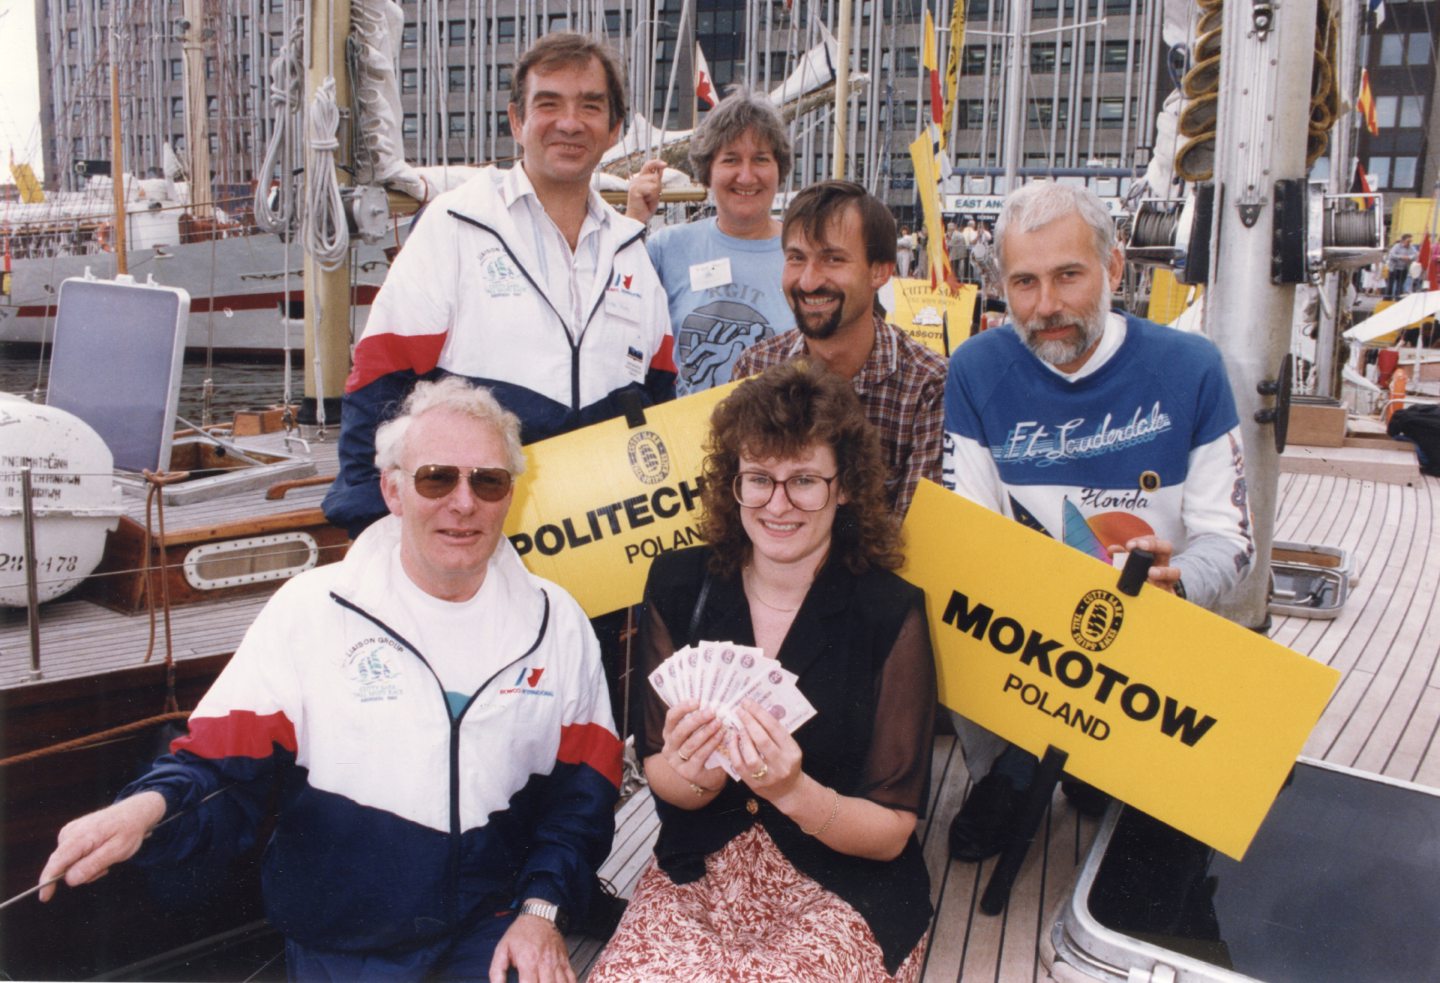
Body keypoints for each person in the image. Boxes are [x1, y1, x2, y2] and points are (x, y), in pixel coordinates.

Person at [40, 378, 622, 981]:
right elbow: (218, 765)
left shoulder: (555, 622)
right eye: (436, 478)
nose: (463, 502)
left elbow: (583, 796)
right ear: (393, 490)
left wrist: (540, 910)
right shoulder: (313, 609)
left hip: (492, 926)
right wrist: (144, 810)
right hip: (346, 942)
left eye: (488, 480)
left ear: (510, 494)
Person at [588, 360, 936, 983]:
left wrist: (791, 792)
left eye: (804, 480)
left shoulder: (889, 611)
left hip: (841, 887)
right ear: (733, 483)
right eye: (758, 479)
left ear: (846, 485)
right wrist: (696, 778)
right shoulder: (678, 583)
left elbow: (891, 830)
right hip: (698, 873)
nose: (778, 505)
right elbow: (666, 775)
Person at [941, 181, 1254, 861]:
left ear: (1114, 269)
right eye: (1024, 282)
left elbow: (1229, 539)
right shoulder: (972, 369)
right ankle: (1008, 766)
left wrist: (1179, 582)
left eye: (1068, 276)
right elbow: (967, 534)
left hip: (1152, 631)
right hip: (1026, 636)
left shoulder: (1192, 367)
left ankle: (1101, 768)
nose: (1045, 306)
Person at [323, 32, 676, 537]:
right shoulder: (458, 221)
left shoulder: (631, 250)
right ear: (517, 120)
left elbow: (658, 398)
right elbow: (380, 377)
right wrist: (372, 523)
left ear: (615, 127)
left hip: (599, 546)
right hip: (470, 532)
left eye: (590, 106)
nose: (570, 122)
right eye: (548, 103)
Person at [732, 181, 947, 517]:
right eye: (796, 258)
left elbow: (917, 536)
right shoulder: (755, 368)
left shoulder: (930, 385)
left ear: (881, 271)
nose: (808, 281)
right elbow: (736, 506)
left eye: (832, 259)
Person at [626, 88, 794, 395]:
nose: (746, 176)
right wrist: (633, 221)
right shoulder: (667, 249)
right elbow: (615, 316)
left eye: (760, 159)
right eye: (731, 160)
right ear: (708, 172)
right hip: (685, 434)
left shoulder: (803, 253)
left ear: (779, 169)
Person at [1385, 233, 1419, 300]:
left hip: (1403, 269)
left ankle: (1398, 299)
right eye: (1408, 241)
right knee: (1390, 285)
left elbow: (1416, 255)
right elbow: (1391, 255)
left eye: (1410, 241)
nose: (1409, 243)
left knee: (1400, 285)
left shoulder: (1411, 248)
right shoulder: (1396, 246)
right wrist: (1401, 257)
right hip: (1394, 268)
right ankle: (1387, 299)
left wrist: (1409, 257)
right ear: (1403, 241)